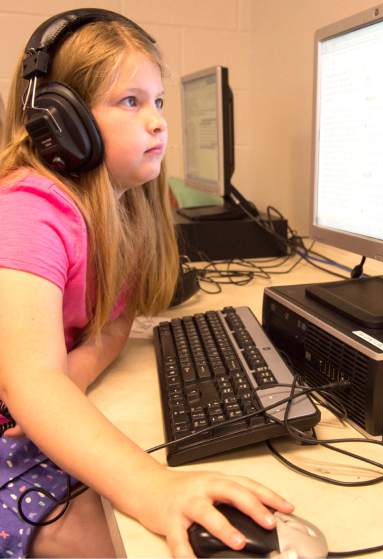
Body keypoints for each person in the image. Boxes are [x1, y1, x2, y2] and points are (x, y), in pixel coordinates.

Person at [0, 10, 294, 559]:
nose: (158, 122)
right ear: (59, 120)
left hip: (31, 411)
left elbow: (114, 325)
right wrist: (154, 488)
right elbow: (29, 383)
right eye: (130, 102)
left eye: (159, 102)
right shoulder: (28, 210)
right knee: (111, 541)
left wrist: (72, 373)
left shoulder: (125, 209)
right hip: (9, 427)